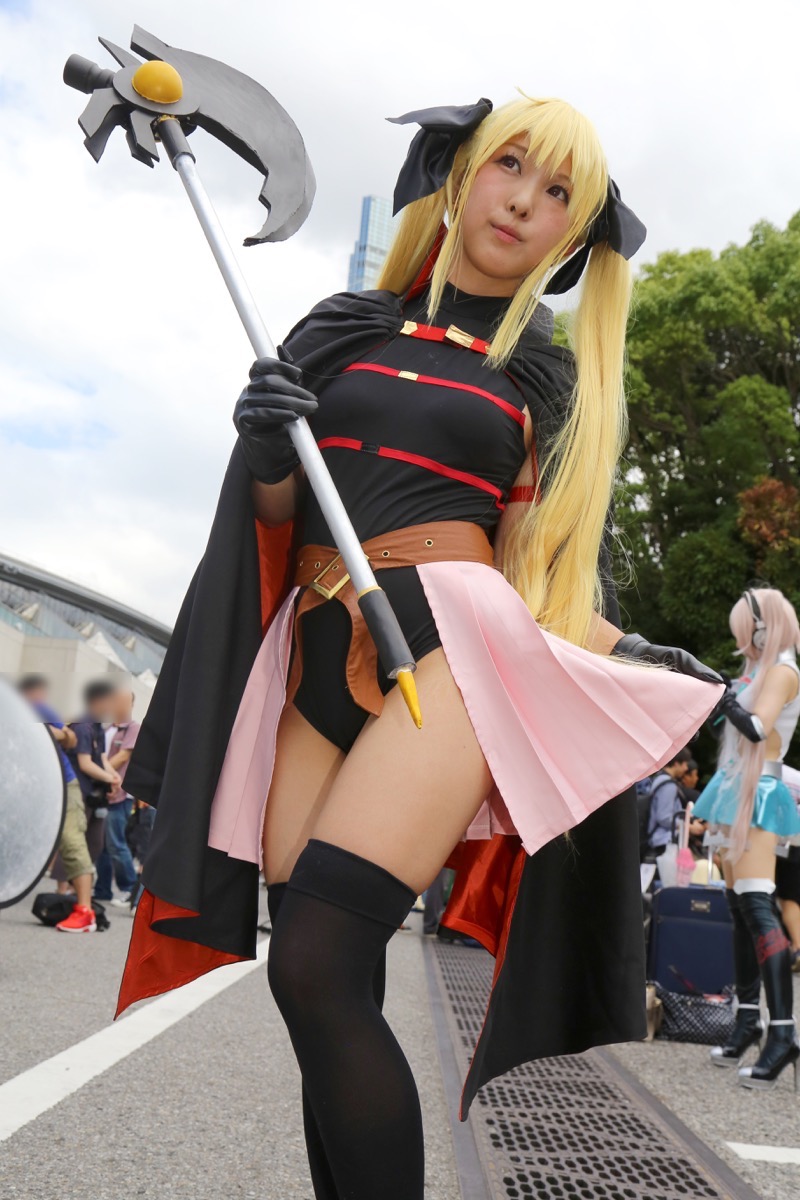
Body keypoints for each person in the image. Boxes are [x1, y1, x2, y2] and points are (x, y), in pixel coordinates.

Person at [117, 95, 722, 1198]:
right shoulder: (342, 324)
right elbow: (271, 519)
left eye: (556, 194)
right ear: (457, 170)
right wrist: (265, 447)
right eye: (510, 167)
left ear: (572, 236)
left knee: (317, 957)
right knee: (318, 985)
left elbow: (537, 578)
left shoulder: (539, 374)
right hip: (310, 645)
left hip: (451, 651)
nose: (522, 203)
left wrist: (637, 652)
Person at [694, 588, 800, 1088]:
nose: (741, 641)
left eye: (745, 631)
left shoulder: (783, 670)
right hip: (738, 789)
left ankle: (782, 1033)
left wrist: (723, 696)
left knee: (758, 908)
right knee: (740, 910)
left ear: (761, 627)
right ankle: (748, 1022)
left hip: (759, 793)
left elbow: (757, 728)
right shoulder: (763, 671)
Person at [17, 674, 96, 933]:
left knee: (72, 841)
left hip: (61, 783)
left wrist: (39, 728)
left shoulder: (37, 708)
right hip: (28, 786)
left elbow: (70, 738)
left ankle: (85, 912)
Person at [67, 679, 121, 880]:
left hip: (94, 793)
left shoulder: (98, 727)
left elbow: (103, 759)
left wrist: (114, 777)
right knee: (74, 841)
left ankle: (75, 886)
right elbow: (85, 764)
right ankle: (63, 889)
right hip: (78, 790)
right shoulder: (82, 725)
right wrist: (110, 778)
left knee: (95, 842)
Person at [102, 687, 141, 908]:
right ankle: (102, 889)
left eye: (123, 701)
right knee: (103, 845)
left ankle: (129, 889)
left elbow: (123, 756)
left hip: (121, 794)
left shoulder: (133, 728)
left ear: (131, 705)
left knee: (117, 843)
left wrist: (101, 771)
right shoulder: (108, 728)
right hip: (104, 792)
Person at [645, 751, 690, 856]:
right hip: (664, 841)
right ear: (676, 763)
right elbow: (664, 817)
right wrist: (686, 825)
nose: (686, 768)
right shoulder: (668, 785)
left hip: (660, 840)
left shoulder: (660, 779)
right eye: (685, 764)